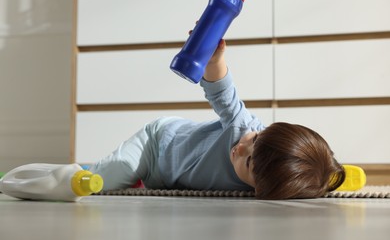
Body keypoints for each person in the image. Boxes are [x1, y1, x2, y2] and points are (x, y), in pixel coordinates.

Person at [89, 39, 345, 200]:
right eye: (254, 139)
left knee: (130, 179)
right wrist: (215, 61)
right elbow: (223, 94)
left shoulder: (270, 182)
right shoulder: (242, 125)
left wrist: (322, 180)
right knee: (105, 180)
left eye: (248, 161)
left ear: (260, 190)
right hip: (156, 146)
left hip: (162, 179)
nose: (240, 147)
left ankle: (137, 180)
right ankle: (82, 175)